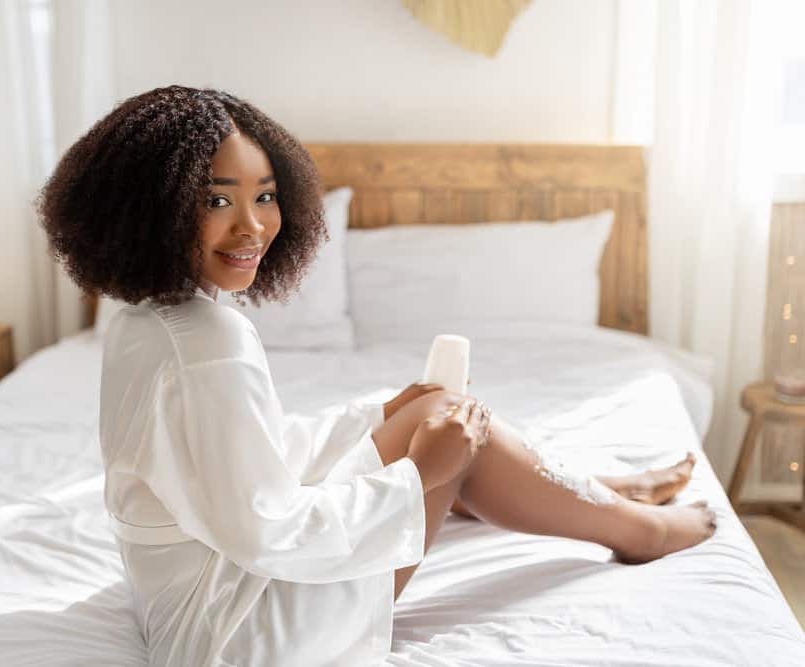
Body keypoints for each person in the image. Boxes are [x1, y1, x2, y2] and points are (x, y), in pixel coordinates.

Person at [36, 85, 716, 667]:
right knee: (446, 426)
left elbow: (242, 457)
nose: (253, 226)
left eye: (266, 196)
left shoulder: (141, 315)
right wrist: (417, 474)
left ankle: (599, 493)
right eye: (217, 201)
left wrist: (378, 414)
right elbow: (268, 530)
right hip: (246, 634)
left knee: (437, 416)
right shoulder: (207, 339)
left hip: (178, 604)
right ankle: (635, 527)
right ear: (155, 205)